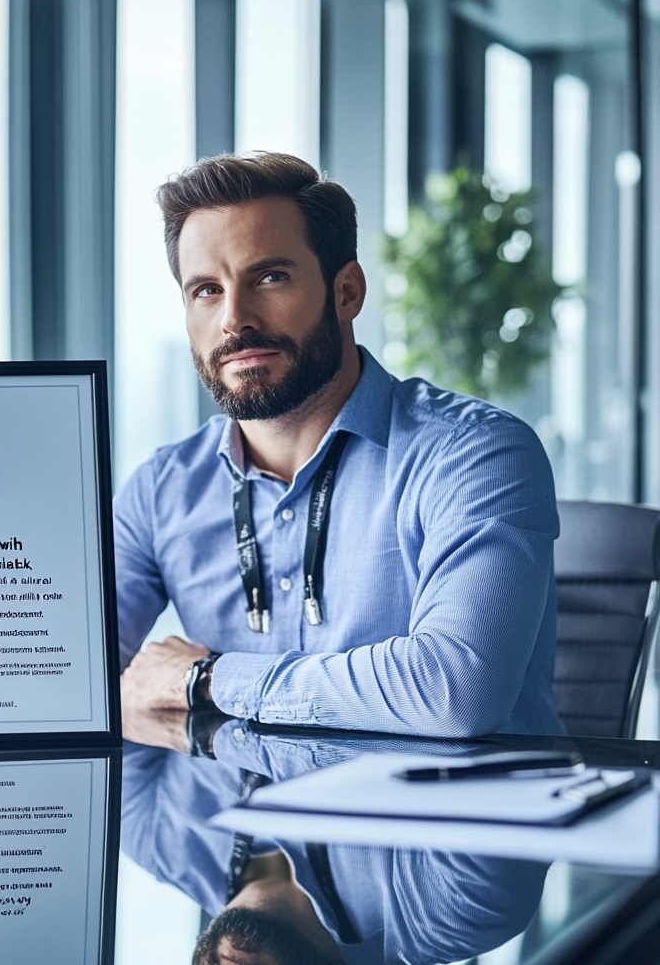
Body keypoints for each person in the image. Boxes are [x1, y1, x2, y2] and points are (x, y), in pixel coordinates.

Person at [116, 151, 562, 737]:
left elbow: (457, 690)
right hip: (234, 816)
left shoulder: (474, 454)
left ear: (347, 291)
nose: (235, 319)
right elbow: (67, 677)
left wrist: (209, 679)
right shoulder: (161, 488)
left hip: (446, 824)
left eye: (269, 277)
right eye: (206, 290)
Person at [120, 708, 549, 965]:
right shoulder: (457, 910)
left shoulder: (152, 840)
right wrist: (207, 694)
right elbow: (457, 733)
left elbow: (98, 697)